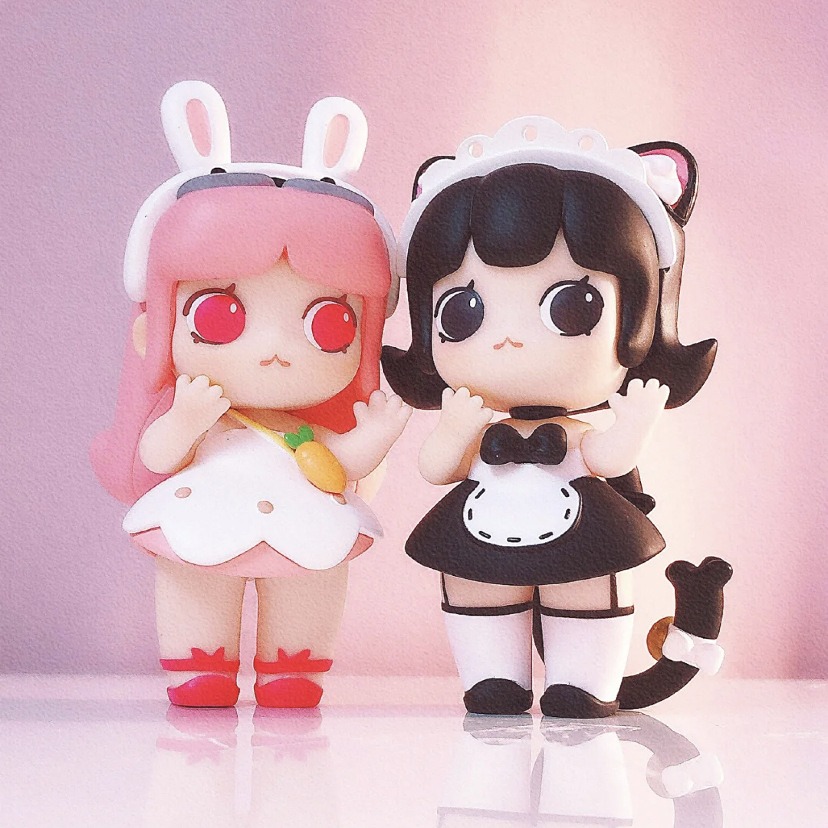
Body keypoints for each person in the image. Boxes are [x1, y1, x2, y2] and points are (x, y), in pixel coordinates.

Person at [383, 117, 730, 717]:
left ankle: (583, 682)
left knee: (586, 594)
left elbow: (608, 459)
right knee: (478, 595)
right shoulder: (475, 422)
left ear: (640, 318)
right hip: (477, 537)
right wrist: (456, 430)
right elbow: (436, 467)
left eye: (571, 305)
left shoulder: (577, 432)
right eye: (463, 311)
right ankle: (494, 679)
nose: (508, 338)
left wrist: (636, 424)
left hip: (583, 535)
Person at [93, 81, 410, 708]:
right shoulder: (204, 411)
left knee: (309, 581)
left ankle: (293, 671)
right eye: (220, 314)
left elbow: (338, 465)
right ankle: (198, 667)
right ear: (157, 322)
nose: (275, 347)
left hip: (306, 520)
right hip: (201, 513)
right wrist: (185, 420)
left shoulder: (308, 428)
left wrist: (372, 438)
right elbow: (157, 457)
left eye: (328, 323)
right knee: (196, 574)